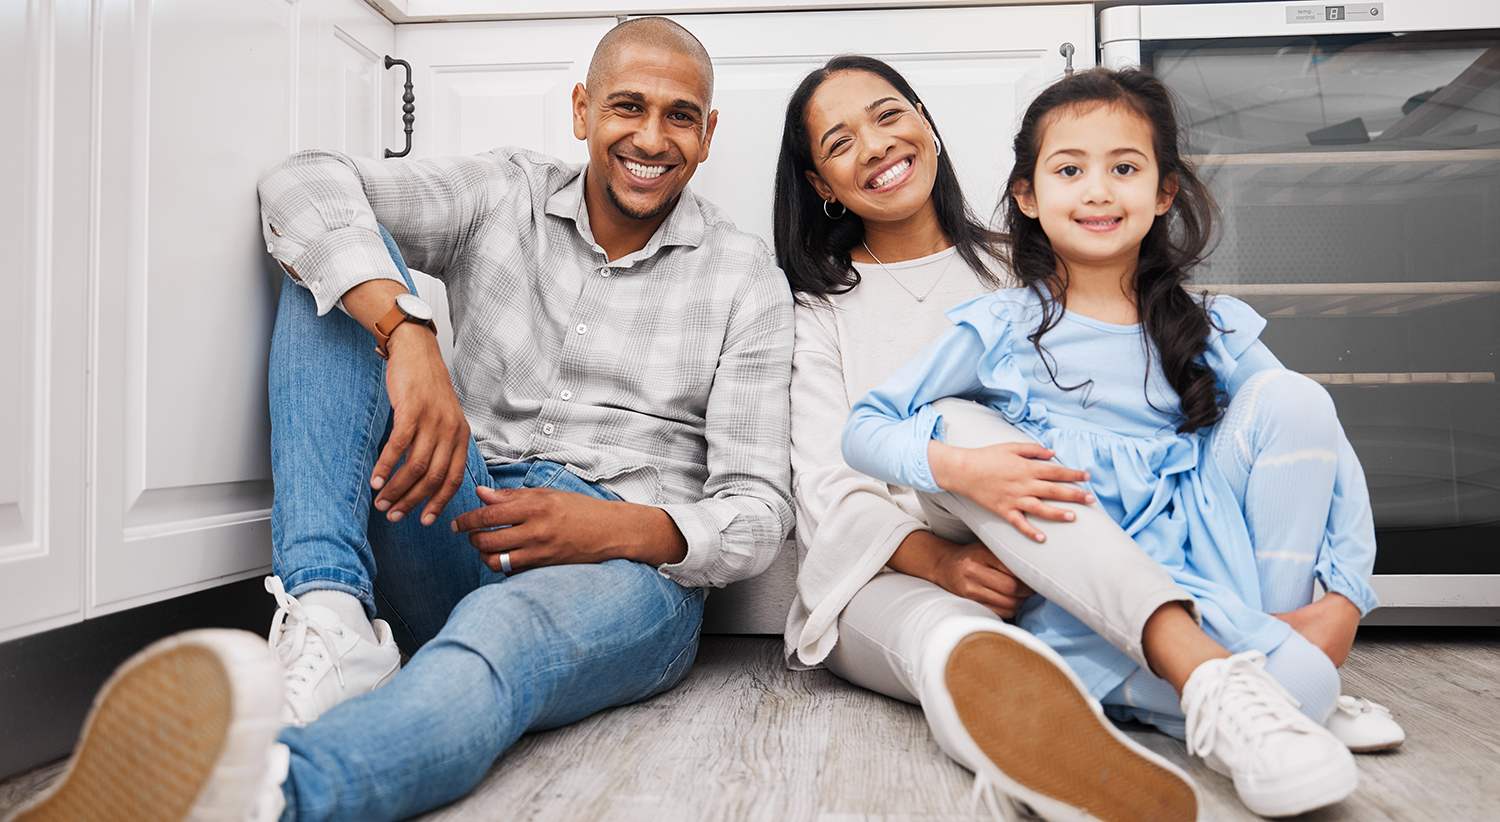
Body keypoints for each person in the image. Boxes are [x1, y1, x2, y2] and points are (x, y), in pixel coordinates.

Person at [6, 18, 793, 822]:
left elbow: (758, 513)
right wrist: (406, 331)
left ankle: (259, 798)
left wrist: (611, 530)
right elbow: (303, 181)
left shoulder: (744, 279)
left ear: (707, 134)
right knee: (339, 262)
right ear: (582, 109)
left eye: (680, 116)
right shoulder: (505, 191)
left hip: (623, 574)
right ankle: (331, 613)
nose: (652, 138)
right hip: (453, 512)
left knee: (503, 631)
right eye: (628, 107)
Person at [839, 66, 1399, 819]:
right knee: (1308, 689)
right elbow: (865, 428)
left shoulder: (1213, 325)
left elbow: (1322, 450)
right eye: (1070, 170)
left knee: (1296, 398)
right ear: (1029, 197)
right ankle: (1240, 697)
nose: (1098, 191)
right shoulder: (1002, 329)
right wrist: (963, 469)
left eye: (1124, 169)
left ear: (1163, 192)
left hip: (1222, 574)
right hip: (1089, 591)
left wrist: (1345, 598)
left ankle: (1249, 673)